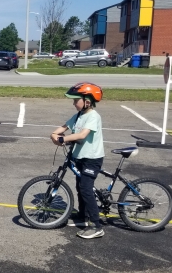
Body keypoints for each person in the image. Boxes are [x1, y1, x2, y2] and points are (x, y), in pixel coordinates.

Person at [50, 82, 105, 239]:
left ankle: (97, 226)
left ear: (87, 101)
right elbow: (62, 128)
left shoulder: (93, 117)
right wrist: (54, 134)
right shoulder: (79, 116)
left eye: (76, 100)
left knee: (86, 189)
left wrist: (63, 139)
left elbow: (81, 135)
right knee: (80, 187)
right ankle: (83, 218)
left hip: (92, 159)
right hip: (80, 156)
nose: (74, 103)